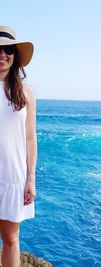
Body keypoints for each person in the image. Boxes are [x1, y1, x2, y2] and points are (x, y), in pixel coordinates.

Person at [0, 26, 37, 267]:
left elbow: (30, 137)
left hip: (13, 176)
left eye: (8, 49)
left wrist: (31, 178)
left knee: (11, 239)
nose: (2, 54)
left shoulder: (26, 91)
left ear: (16, 55)